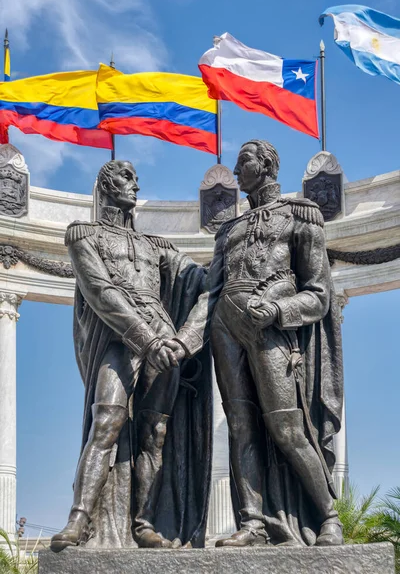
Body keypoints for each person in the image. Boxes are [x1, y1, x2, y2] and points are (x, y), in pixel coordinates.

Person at [171, 140, 344, 548]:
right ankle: (252, 522)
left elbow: (319, 294)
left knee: (287, 426)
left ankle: (329, 518)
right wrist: (184, 341)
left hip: (270, 328)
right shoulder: (227, 230)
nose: (236, 167)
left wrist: (280, 311)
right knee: (241, 428)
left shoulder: (301, 215)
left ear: (266, 165)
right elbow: (209, 297)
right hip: (225, 329)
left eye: (244, 159)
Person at [51, 160, 212, 552]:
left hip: (163, 338)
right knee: (105, 420)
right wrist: (146, 339)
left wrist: (185, 337)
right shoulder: (83, 234)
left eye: (137, 179)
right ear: (104, 185)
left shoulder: (158, 247)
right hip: (122, 338)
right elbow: (100, 291)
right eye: (125, 178)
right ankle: (79, 519)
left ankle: (144, 523)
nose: (135, 186)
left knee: (155, 434)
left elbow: (204, 283)